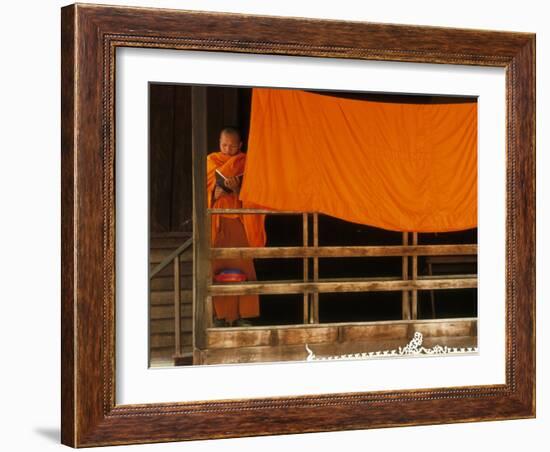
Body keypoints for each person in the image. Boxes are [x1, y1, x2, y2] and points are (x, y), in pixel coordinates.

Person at [207, 127, 266, 326]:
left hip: (239, 223)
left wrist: (237, 189)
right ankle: (221, 316)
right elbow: (204, 193)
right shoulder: (211, 162)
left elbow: (255, 194)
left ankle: (242, 316)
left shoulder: (247, 162)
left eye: (232, 146)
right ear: (219, 142)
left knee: (243, 268)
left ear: (240, 145)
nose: (227, 149)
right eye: (224, 145)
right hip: (218, 223)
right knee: (218, 268)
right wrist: (215, 194)